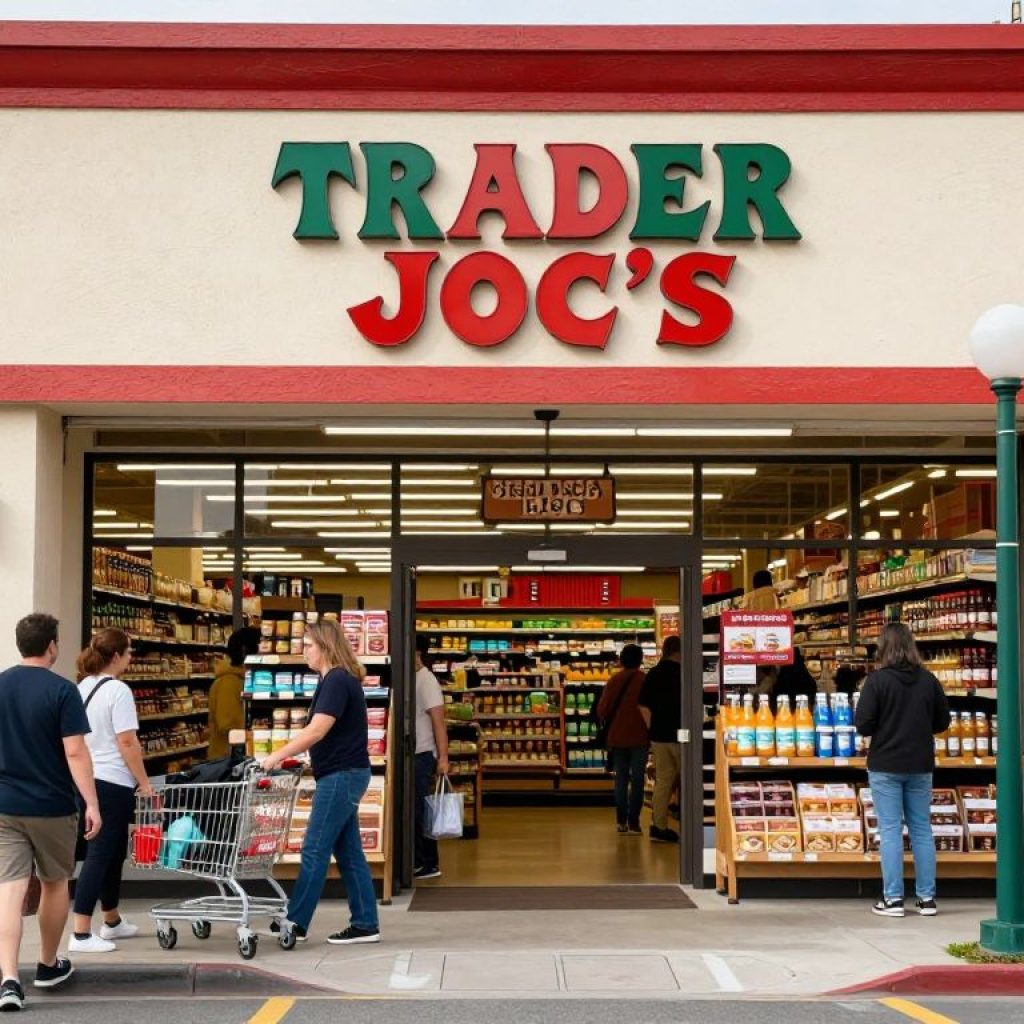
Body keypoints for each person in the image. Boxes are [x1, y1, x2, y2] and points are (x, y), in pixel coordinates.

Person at [0, 614, 101, 1013]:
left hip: (4, 805)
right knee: (55, 883)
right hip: (53, 805)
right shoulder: (63, 691)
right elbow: (75, 752)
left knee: (9, 890)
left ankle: (8, 976)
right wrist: (92, 802)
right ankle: (46, 964)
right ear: (52, 646)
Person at [262, 619, 380, 945]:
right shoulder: (333, 679)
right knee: (349, 853)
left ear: (325, 647)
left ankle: (296, 923)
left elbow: (317, 730)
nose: (305, 652)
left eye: (309, 645)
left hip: (341, 776)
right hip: (344, 772)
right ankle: (366, 923)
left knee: (314, 848)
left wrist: (275, 756)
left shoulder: (337, 680)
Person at [854, 622, 950, 919]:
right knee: (922, 829)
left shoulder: (877, 681)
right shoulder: (928, 680)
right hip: (920, 764)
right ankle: (927, 899)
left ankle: (893, 899)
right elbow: (942, 722)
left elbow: (863, 724)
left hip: (886, 764)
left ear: (883, 648)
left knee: (891, 830)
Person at [70, 628, 154, 954]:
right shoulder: (118, 690)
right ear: (116, 655)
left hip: (88, 778)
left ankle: (112, 920)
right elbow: (127, 741)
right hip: (113, 781)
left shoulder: (82, 687)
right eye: (130, 652)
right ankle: (79, 932)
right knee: (101, 853)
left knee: (115, 850)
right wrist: (144, 782)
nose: (132, 657)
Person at [597, 643, 649, 835]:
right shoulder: (645, 680)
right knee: (637, 780)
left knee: (621, 779)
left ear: (621, 660)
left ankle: (621, 821)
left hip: (617, 737)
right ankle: (634, 822)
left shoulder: (614, 680)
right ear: (641, 659)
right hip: (640, 737)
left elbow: (602, 710)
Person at [637, 634, 682, 844]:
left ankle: (659, 827)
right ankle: (692, 826)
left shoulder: (653, 673)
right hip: (683, 735)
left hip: (659, 736)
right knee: (688, 781)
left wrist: (652, 727)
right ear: (679, 651)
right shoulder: (685, 672)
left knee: (664, 781)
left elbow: (643, 705)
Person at [413, 636, 449, 881]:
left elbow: (439, 723)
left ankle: (430, 862)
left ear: (416, 652)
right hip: (413, 754)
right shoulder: (412, 678)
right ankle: (416, 860)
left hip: (423, 755)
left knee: (424, 811)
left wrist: (443, 758)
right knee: (415, 811)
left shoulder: (426, 680)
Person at [207, 627, 261, 760]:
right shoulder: (228, 683)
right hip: (227, 762)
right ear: (245, 651)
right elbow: (228, 726)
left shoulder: (243, 679)